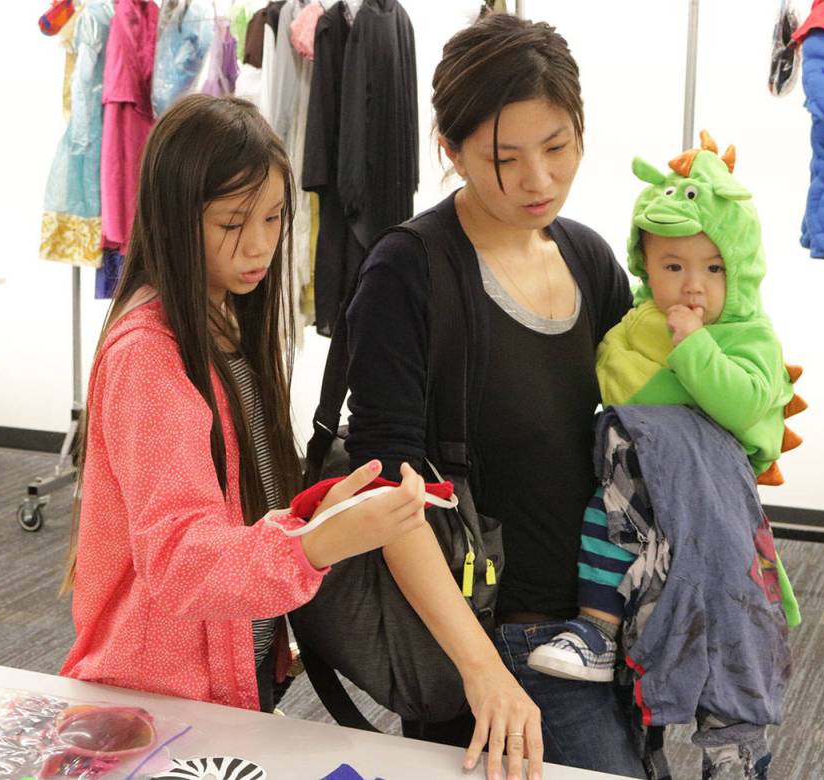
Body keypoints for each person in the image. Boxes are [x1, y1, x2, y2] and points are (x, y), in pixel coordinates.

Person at [338, 13, 648, 780]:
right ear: (452, 151)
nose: (539, 179)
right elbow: (387, 491)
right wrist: (481, 670)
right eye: (505, 159)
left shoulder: (588, 258)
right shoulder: (409, 272)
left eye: (558, 147)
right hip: (494, 638)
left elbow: (642, 423)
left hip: (604, 628)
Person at [59, 94, 428, 713]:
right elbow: (178, 559)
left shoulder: (225, 315)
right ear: (175, 220)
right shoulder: (148, 356)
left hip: (223, 676)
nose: (259, 246)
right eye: (233, 224)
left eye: (274, 218)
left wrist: (314, 517)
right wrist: (314, 545)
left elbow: (234, 502)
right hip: (161, 697)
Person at [527, 135, 800, 779]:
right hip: (638, 485)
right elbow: (611, 371)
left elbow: (743, 404)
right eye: (673, 266)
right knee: (606, 528)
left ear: (741, 270)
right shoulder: (639, 317)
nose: (693, 285)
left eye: (714, 268)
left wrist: (695, 346)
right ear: (646, 266)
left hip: (707, 497)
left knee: (720, 604)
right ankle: (596, 629)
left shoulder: (747, 334)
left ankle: (733, 735)